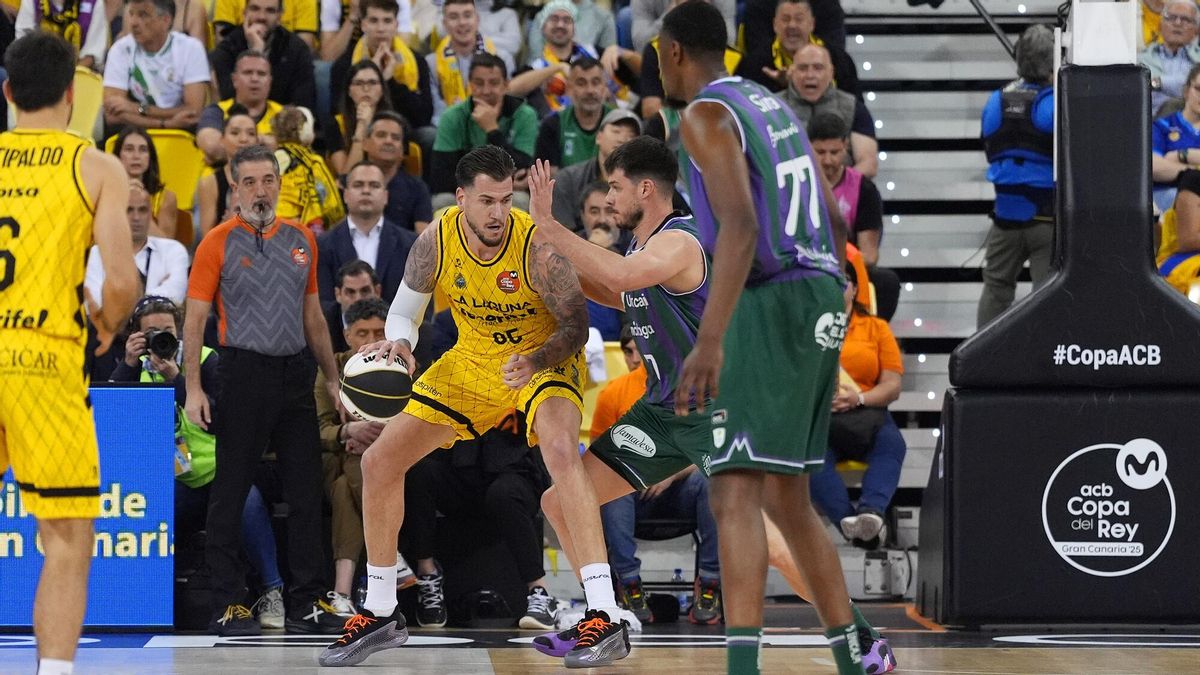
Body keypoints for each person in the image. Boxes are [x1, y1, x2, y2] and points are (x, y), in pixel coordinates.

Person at [526, 139, 895, 673]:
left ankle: (861, 639)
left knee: (775, 543)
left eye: (615, 187)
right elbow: (621, 292)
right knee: (560, 500)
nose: (607, 199)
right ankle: (603, 617)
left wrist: (549, 228)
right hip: (662, 413)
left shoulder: (680, 241)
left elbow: (625, 279)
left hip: (718, 409)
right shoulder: (640, 246)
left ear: (645, 189)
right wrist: (551, 271)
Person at [317, 146, 624, 668]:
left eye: (507, 200)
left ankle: (604, 613)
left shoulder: (537, 248)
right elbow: (405, 312)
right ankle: (382, 609)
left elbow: (577, 328)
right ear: (460, 199)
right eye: (487, 201)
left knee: (559, 450)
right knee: (378, 462)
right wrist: (400, 345)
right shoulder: (436, 239)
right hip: (473, 360)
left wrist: (537, 358)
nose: (498, 213)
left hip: (542, 356)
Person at [658, 3, 866, 673]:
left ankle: (742, 668)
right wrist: (837, 298)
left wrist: (710, 338)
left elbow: (741, 226)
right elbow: (836, 213)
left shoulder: (703, 116)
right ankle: (857, 652)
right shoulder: (770, 104)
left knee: (733, 491)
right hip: (819, 289)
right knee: (786, 496)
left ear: (672, 53)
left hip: (771, 299)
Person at [0, 31, 140, 675]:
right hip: (42, 362)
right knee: (66, 535)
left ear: (7, 92)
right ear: (70, 94)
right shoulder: (93, 165)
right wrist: (108, 325)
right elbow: (121, 284)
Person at [184, 144, 346, 637]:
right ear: (234, 188)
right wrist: (193, 386)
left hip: (296, 374)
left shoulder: (302, 238)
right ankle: (229, 601)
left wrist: (334, 382)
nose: (260, 190)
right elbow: (194, 320)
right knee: (230, 491)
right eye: (250, 181)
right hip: (241, 373)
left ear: (279, 183)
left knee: (304, 491)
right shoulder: (216, 241)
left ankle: (307, 600)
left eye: (268, 180)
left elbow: (314, 316)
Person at [109, 295, 292, 629]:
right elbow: (114, 420)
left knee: (248, 503)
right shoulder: (134, 370)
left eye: (166, 331)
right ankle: (140, 595)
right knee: (142, 513)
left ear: (180, 331)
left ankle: (272, 588)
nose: (159, 340)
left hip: (219, 474)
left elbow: (221, 419)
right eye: (150, 333)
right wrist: (128, 364)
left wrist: (178, 381)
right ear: (135, 336)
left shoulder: (206, 361)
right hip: (171, 482)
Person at [592, 333, 722, 624]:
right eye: (629, 351)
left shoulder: (696, 385)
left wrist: (669, 472)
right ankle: (628, 583)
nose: (636, 358)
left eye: (641, 351)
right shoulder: (613, 393)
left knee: (713, 479)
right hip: (634, 495)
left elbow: (714, 449)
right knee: (612, 487)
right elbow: (601, 462)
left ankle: (711, 582)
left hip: (680, 492)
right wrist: (640, 474)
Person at [401, 410, 562, 631]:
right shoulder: (452, 378)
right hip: (460, 469)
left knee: (504, 494)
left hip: (514, 470)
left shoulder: (523, 377)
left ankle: (539, 591)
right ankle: (428, 575)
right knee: (418, 472)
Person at [809, 263, 906, 549]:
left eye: (844, 281)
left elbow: (892, 385)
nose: (837, 288)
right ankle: (851, 524)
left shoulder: (877, 328)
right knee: (810, 455)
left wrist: (858, 398)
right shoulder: (805, 329)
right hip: (820, 415)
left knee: (893, 443)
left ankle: (871, 512)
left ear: (855, 289)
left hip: (867, 411)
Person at [314, 297, 390, 616]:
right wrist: (347, 433)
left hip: (385, 464)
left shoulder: (401, 368)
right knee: (354, 459)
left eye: (378, 333)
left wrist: (375, 436)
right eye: (362, 334)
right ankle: (392, 558)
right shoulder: (330, 369)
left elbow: (415, 426)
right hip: (334, 461)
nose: (371, 342)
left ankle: (341, 592)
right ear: (347, 336)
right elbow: (317, 430)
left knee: (349, 482)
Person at [977, 24, 1055, 327]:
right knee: (1046, 293)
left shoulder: (995, 101)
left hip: (1005, 217)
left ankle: (982, 364)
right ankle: (1044, 361)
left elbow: (989, 146)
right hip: (1046, 220)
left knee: (996, 289)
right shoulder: (1055, 104)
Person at [808, 112, 900, 321]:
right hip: (806, 265)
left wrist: (839, 268)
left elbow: (869, 254)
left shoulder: (863, 189)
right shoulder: (797, 184)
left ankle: (869, 335)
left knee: (886, 282)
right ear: (808, 148)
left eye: (835, 152)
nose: (828, 160)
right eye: (820, 152)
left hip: (848, 266)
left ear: (846, 146)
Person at [428, 53, 537, 196]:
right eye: (479, 83)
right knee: (442, 200)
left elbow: (522, 168)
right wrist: (487, 188)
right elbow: (440, 179)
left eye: (493, 83)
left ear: (506, 85)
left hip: (506, 193)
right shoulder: (452, 117)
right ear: (470, 85)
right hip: (464, 193)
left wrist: (492, 130)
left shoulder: (525, 115)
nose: (486, 90)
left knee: (520, 199)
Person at [318, 161, 420, 310]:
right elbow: (324, 304)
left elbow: (419, 305)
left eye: (374, 185)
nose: (366, 190)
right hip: (340, 331)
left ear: (386, 196)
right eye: (358, 185)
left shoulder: (410, 244)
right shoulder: (323, 245)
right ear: (345, 195)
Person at [101, 0, 208, 132]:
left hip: (181, 133)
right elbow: (112, 116)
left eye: (143, 15)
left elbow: (193, 112)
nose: (133, 22)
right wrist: (166, 124)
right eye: (131, 14)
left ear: (165, 20)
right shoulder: (120, 49)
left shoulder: (190, 49)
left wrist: (135, 108)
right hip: (134, 134)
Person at [85, 180, 190, 307]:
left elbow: (173, 298)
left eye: (142, 210)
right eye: (129, 210)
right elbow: (93, 304)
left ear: (150, 214)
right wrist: (153, 295)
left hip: (158, 325)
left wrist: (116, 297)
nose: (136, 217)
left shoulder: (173, 251)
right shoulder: (97, 253)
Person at [779, 43, 877, 178]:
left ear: (831, 73)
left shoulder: (853, 107)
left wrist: (838, 187)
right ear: (791, 72)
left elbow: (868, 164)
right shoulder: (773, 107)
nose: (810, 75)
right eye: (802, 68)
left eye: (818, 68)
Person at [210, 0, 317, 112]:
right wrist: (256, 52)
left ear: (279, 17)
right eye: (255, 9)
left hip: (282, 125)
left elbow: (304, 105)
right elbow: (231, 98)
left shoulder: (297, 49)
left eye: (270, 11)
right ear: (244, 13)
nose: (261, 17)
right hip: (237, 123)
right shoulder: (228, 47)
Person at [550, 108, 640, 233]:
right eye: (616, 131)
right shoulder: (567, 180)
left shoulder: (644, 187)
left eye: (631, 136)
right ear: (599, 137)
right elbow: (559, 235)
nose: (623, 139)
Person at [426, 0, 512, 125]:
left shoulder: (502, 58)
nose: (462, 23)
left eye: (467, 15)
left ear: (477, 20)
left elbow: (507, 99)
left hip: (493, 124)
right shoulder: (431, 62)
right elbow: (437, 109)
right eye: (454, 17)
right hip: (450, 127)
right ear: (445, 24)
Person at [196, 50, 283, 164]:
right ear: (234, 80)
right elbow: (212, 147)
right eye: (248, 73)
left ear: (270, 81)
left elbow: (294, 150)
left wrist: (231, 148)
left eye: (261, 74)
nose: (254, 79)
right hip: (221, 179)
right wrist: (265, 143)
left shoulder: (282, 114)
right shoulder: (216, 111)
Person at [271, 106, 346, 231]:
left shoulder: (271, 159)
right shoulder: (313, 162)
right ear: (306, 131)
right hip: (308, 225)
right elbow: (331, 202)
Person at [533, 56, 613, 171]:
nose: (590, 90)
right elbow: (547, 177)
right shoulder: (553, 124)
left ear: (605, 87)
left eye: (595, 83)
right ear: (569, 88)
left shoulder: (620, 121)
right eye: (581, 83)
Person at [360, 112, 434, 231]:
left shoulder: (417, 188)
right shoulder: (349, 184)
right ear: (365, 144)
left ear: (402, 150)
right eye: (381, 135)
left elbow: (424, 239)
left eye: (395, 138)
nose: (388, 141)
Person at [197, 106, 259, 237]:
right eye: (235, 133)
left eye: (251, 133)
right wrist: (231, 217)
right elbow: (207, 239)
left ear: (257, 142)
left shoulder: (270, 180)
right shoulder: (209, 183)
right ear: (222, 140)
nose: (243, 139)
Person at [111, 126, 178, 237]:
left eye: (143, 150)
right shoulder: (105, 194)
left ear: (150, 157)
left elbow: (166, 246)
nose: (136, 156)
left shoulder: (166, 198)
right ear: (118, 156)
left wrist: (141, 204)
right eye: (129, 149)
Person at [1139, 0, 1200, 114]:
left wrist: (1158, 83)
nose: (1177, 23)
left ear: (1196, 30)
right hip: (1153, 124)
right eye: (1171, 17)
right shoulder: (1142, 59)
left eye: (1185, 19)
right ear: (1161, 24)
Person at [13, 0, 109, 70]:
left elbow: (91, 54)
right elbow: (23, 43)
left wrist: (66, 78)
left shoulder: (94, 3)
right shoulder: (31, 1)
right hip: (37, 71)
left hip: (79, 73)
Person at [321, 260, 382, 353]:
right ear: (338, 295)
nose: (358, 298)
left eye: (365, 291)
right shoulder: (322, 322)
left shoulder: (393, 318)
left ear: (377, 291)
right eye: (350, 292)